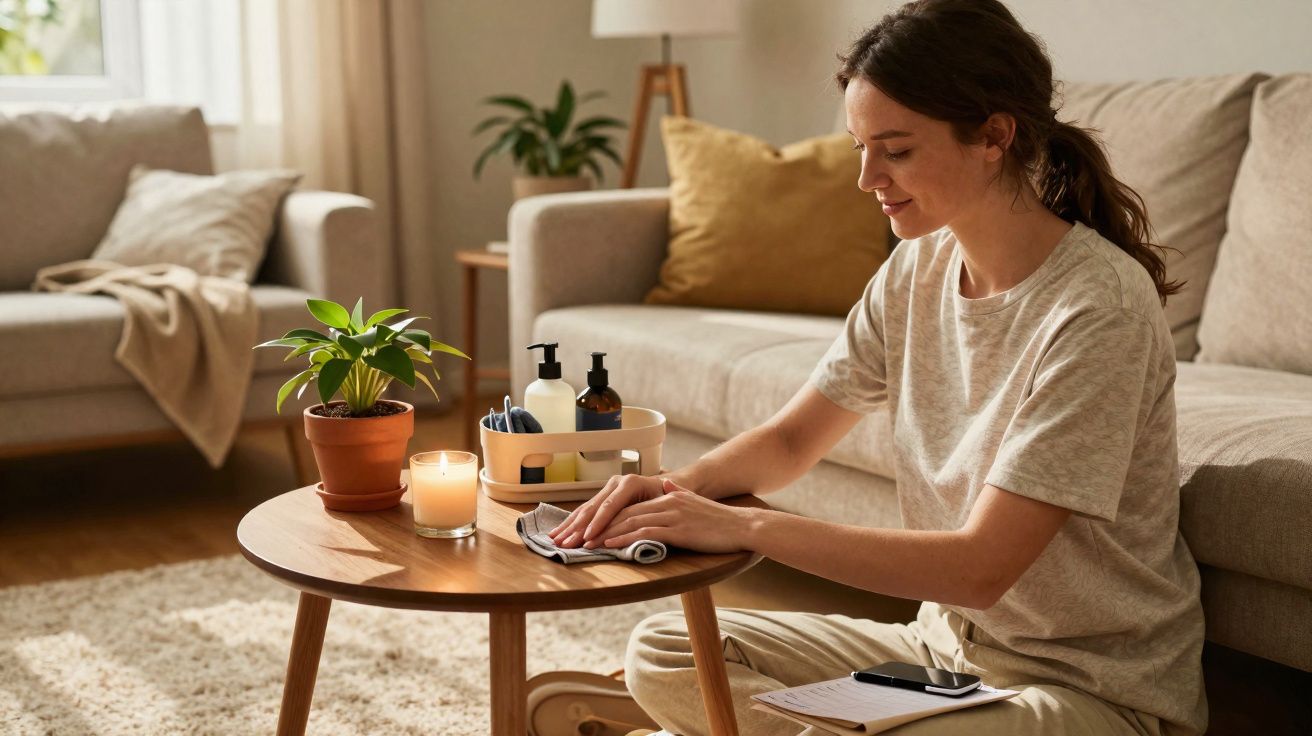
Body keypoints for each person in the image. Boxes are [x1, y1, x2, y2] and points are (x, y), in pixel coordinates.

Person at [545, 0, 1207, 734]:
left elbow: (979, 569)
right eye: (861, 147)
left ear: (994, 136)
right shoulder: (916, 269)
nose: (866, 179)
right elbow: (792, 442)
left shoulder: (1098, 307)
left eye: (894, 150)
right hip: (941, 657)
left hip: (1086, 689)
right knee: (664, 650)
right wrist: (669, 491)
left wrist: (747, 529)